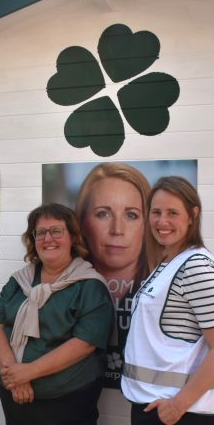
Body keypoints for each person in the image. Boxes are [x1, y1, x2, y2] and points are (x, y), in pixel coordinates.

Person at [0, 203, 114, 425]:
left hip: (67, 408)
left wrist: (27, 373)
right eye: (40, 232)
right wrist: (13, 374)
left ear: (72, 236)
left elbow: (83, 344)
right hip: (19, 402)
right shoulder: (19, 281)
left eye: (56, 231)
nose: (48, 239)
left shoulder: (89, 286)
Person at [121, 176, 214, 425]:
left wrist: (178, 405)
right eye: (155, 212)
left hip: (175, 413)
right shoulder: (171, 261)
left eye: (172, 213)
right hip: (158, 410)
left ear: (192, 215)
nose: (162, 221)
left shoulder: (197, 267)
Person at [75, 163, 151, 386]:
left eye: (131, 215)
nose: (117, 229)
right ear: (82, 223)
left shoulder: (169, 285)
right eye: (103, 214)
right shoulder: (64, 285)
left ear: (147, 224)